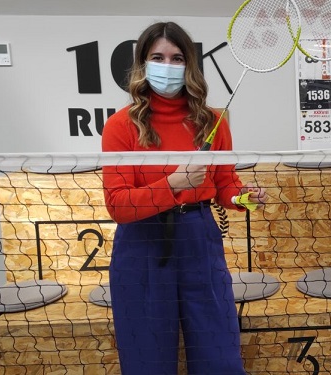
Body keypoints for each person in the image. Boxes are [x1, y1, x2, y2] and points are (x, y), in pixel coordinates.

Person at [102, 21, 265, 374]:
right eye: (157, 57)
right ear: (143, 64)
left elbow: (225, 184)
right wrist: (172, 185)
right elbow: (118, 205)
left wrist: (244, 198)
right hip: (142, 245)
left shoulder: (213, 122)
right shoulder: (120, 126)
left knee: (219, 359)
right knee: (147, 363)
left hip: (198, 239)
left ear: (189, 64)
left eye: (177, 58)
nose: (168, 66)